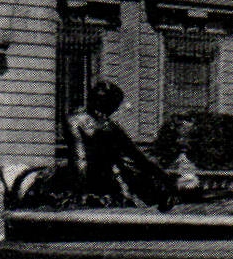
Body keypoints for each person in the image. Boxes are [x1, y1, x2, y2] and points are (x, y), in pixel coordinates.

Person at [64, 81, 177, 209]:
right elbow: (80, 157)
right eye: (115, 106)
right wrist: (165, 178)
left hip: (95, 180)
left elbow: (138, 157)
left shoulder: (80, 121)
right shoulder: (106, 127)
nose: (115, 110)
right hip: (94, 182)